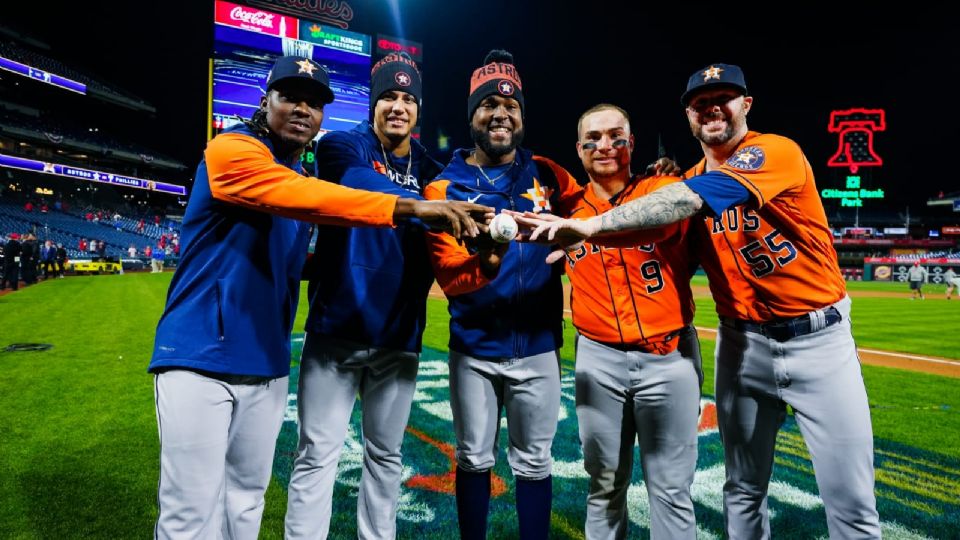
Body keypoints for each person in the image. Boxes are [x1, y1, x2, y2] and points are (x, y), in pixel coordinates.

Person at [516, 63, 881, 539]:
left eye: (723, 99)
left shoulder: (772, 153)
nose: (712, 109)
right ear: (688, 115)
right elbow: (656, 234)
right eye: (700, 103)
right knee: (742, 490)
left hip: (820, 341)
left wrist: (591, 228)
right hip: (741, 344)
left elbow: (691, 200)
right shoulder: (674, 182)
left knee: (851, 501)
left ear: (745, 105)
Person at [148, 55, 489, 540]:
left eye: (314, 102)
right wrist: (414, 206)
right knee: (189, 513)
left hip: (267, 363)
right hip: (198, 356)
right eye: (290, 97)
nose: (303, 109)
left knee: (246, 502)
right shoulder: (231, 150)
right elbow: (307, 195)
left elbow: (294, 254)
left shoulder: (302, 177)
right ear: (265, 101)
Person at [285, 52, 470, 540]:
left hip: (398, 335)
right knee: (316, 454)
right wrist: (424, 206)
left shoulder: (432, 162)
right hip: (336, 330)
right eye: (389, 95)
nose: (398, 106)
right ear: (373, 103)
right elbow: (356, 184)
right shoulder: (342, 145)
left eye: (408, 99)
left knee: (386, 457)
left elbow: (475, 180)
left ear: (418, 109)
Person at [424, 49, 582, 540]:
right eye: (488, 104)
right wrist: (488, 256)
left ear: (522, 116)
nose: (501, 114)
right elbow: (451, 276)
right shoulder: (443, 188)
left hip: (537, 347)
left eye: (511, 107)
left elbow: (599, 208)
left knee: (535, 463)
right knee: (473, 457)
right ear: (471, 115)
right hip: (473, 348)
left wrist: (652, 178)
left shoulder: (550, 174)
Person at [556, 104, 702, 539]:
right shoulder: (564, 205)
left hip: (669, 355)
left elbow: (684, 205)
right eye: (593, 139)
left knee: (672, 489)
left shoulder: (664, 186)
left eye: (616, 135)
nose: (605, 145)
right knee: (603, 487)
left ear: (632, 144)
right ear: (579, 150)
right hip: (598, 359)